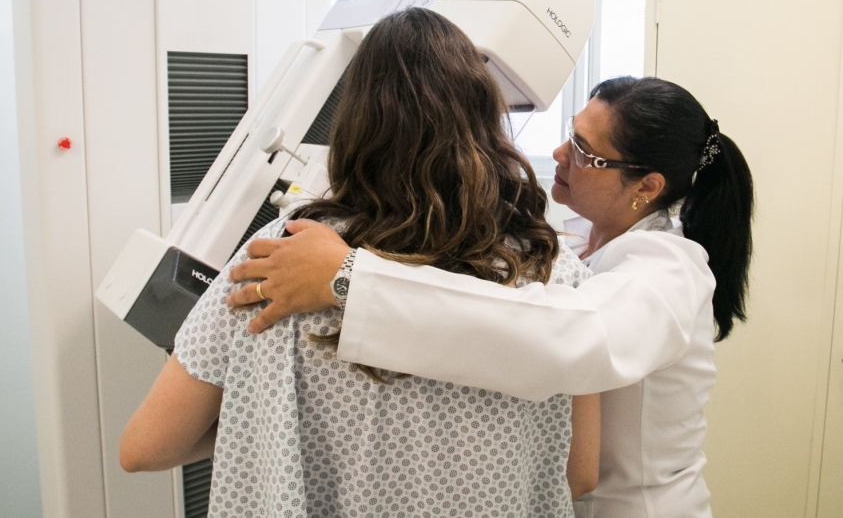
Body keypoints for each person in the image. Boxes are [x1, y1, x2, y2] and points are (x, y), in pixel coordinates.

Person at [119, 7, 601, 517]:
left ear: (354, 124)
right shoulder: (553, 271)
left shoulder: (279, 257)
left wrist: (257, 416)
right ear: (483, 121)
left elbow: (145, 447)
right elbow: (580, 471)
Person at [227, 76, 755, 518]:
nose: (558, 154)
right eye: (570, 134)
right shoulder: (577, 238)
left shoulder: (669, 270)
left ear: (647, 185)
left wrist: (349, 278)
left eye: (585, 152)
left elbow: (568, 338)